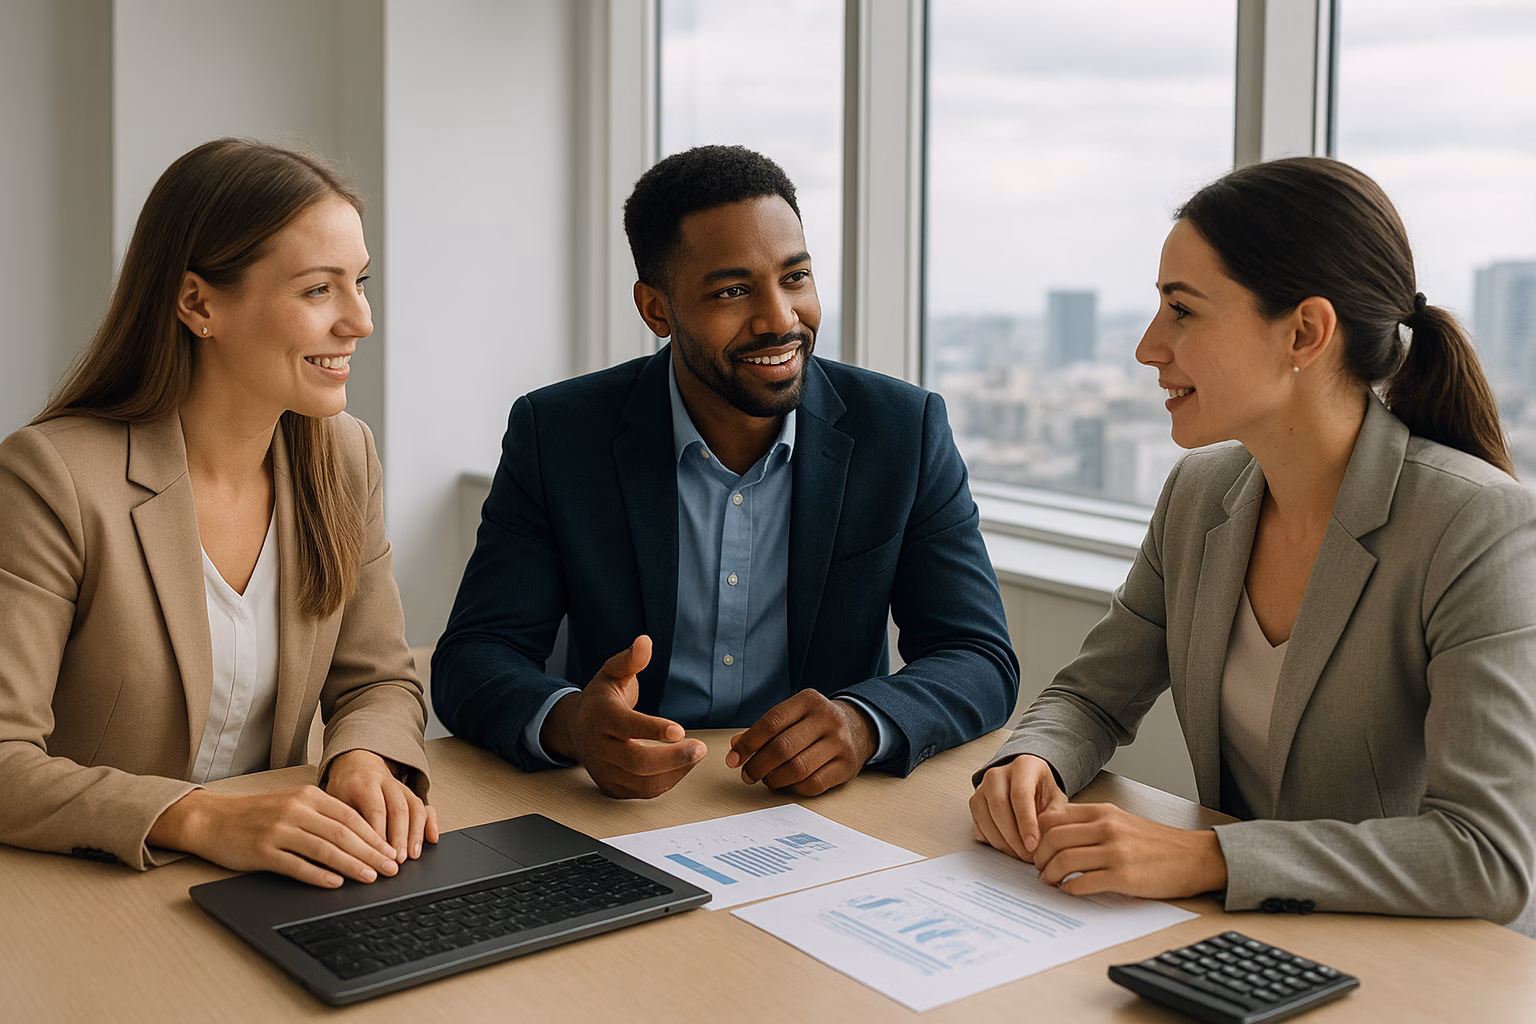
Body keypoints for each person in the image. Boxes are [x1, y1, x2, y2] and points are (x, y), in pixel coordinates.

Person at [970, 156, 1536, 932]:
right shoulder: (1198, 494)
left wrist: (1207, 859)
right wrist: (1031, 760)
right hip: (1239, 939)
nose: (1148, 346)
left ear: (1305, 332)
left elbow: (1486, 855)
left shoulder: (1476, 526)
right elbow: (1091, 696)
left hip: (1408, 960)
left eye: (1182, 310)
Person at [433, 145, 1018, 799]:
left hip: (822, 811)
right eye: (733, 291)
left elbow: (979, 657)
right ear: (656, 309)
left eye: (795, 277)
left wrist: (862, 722)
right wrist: (572, 724)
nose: (780, 319)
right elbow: (474, 657)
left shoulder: (903, 431)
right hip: (622, 805)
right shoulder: (560, 434)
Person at [0, 138, 438, 888]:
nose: (360, 321)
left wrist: (363, 757)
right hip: (94, 889)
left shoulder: (344, 456)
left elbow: (378, 681)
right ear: (199, 304)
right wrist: (202, 819)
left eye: (360, 283)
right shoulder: (53, 477)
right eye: (318, 290)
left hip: (275, 878)